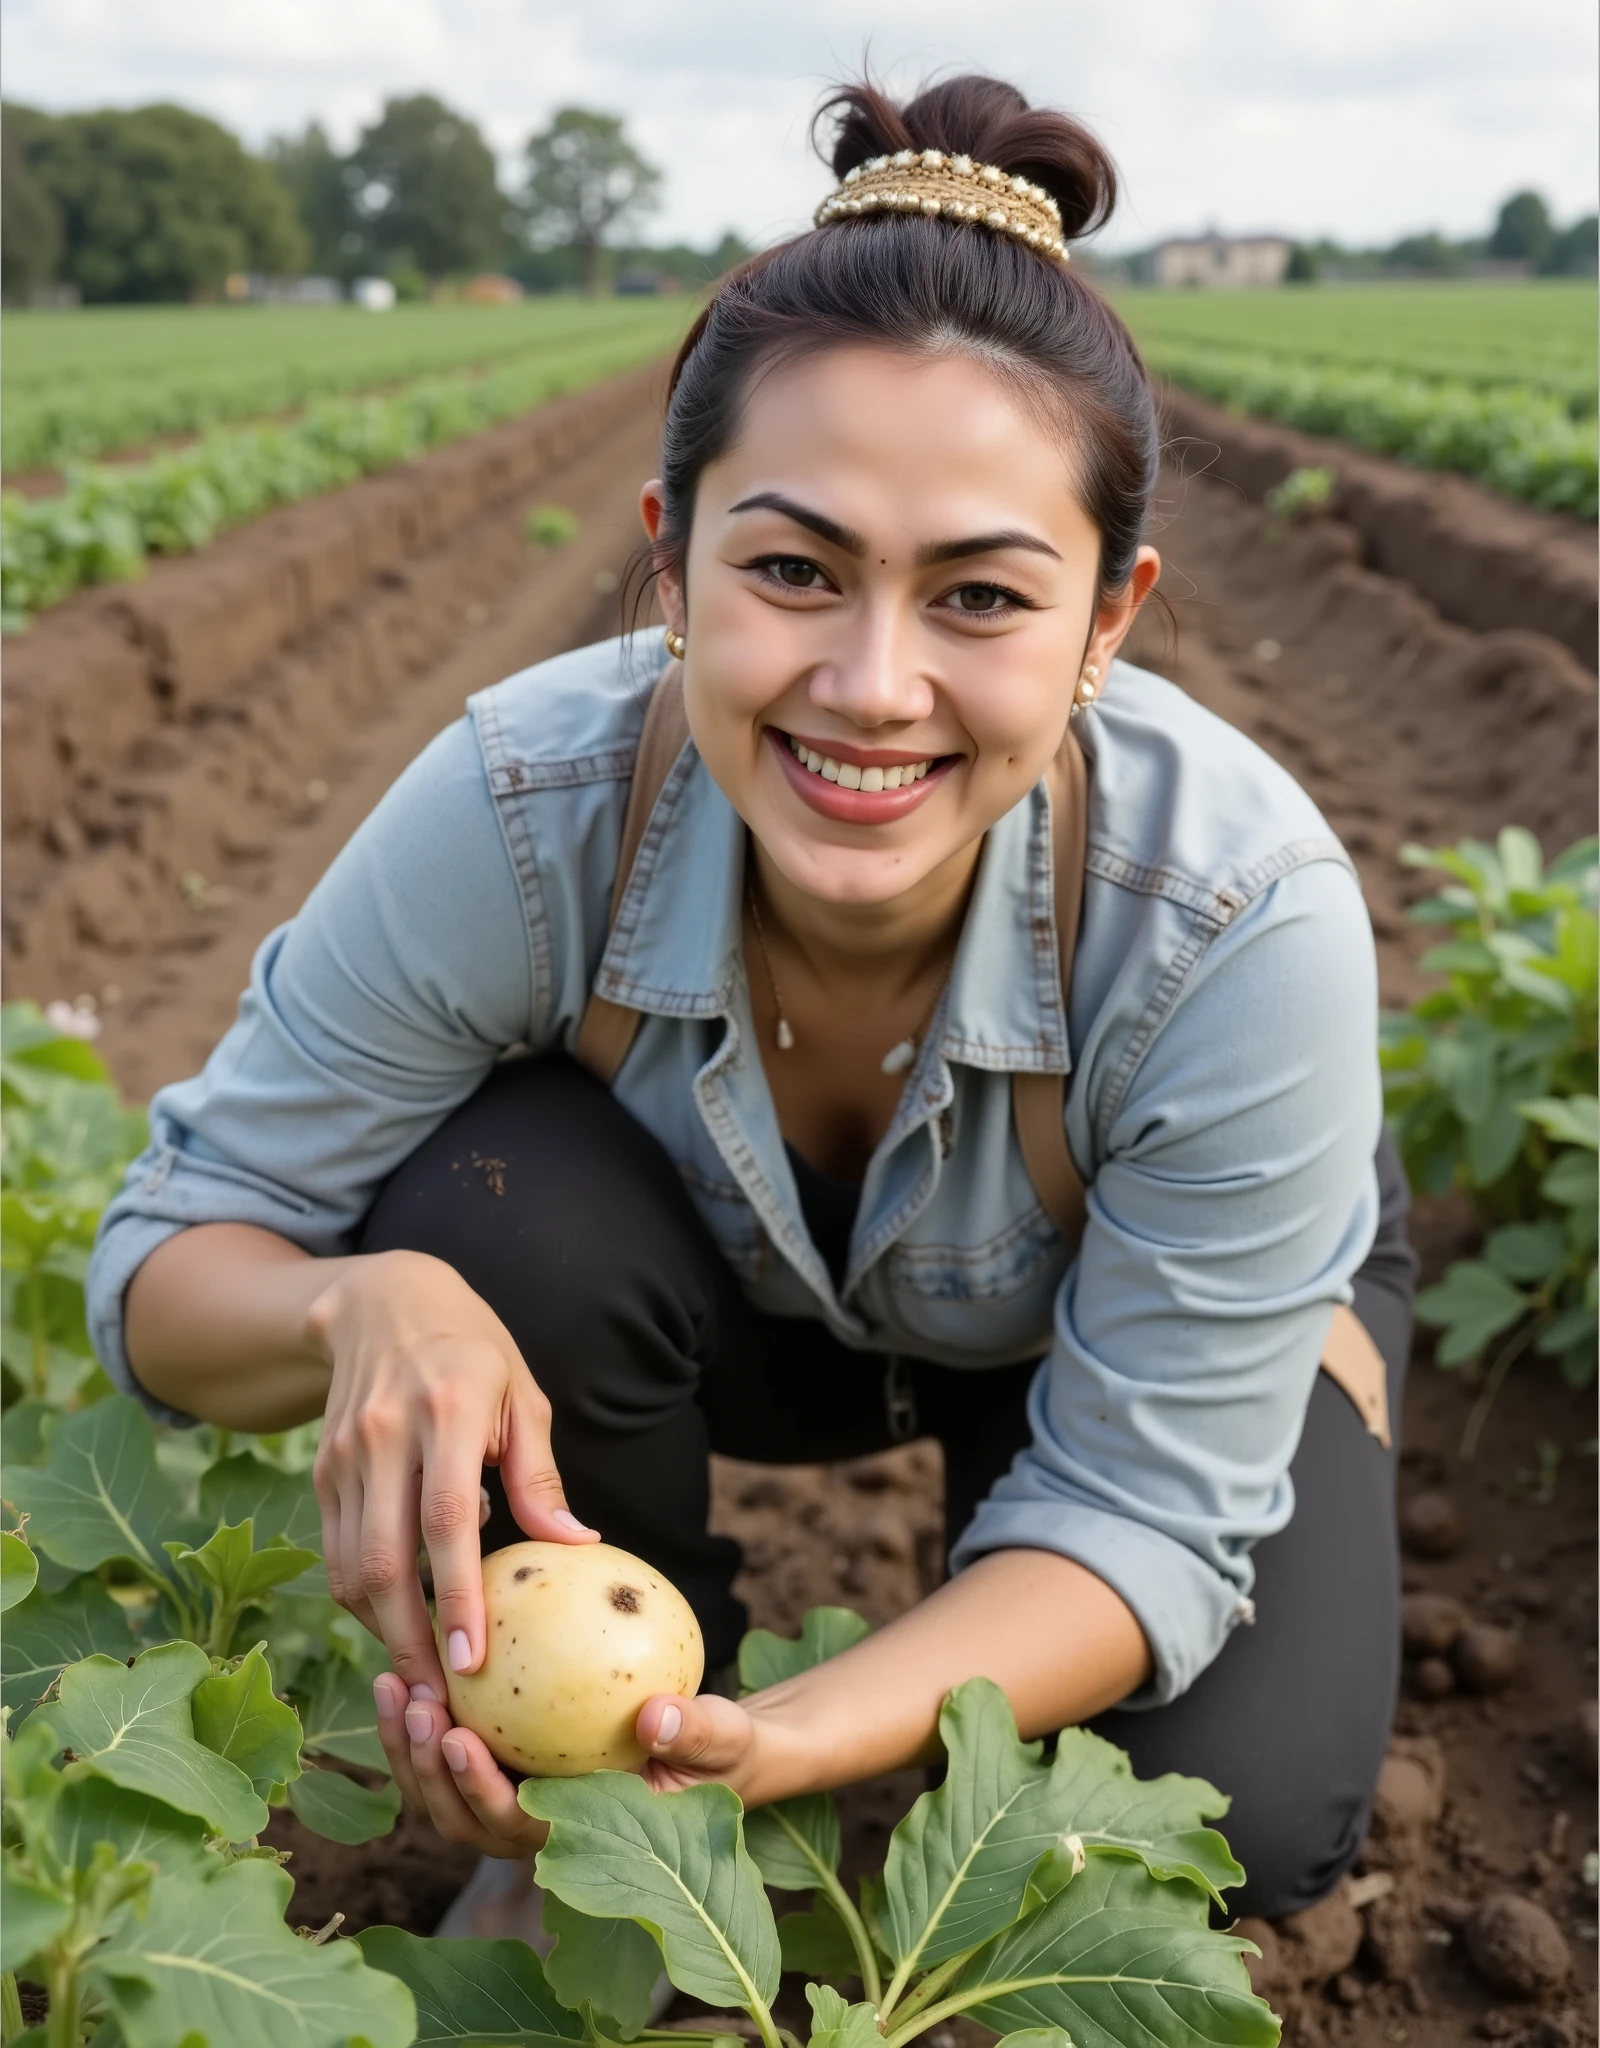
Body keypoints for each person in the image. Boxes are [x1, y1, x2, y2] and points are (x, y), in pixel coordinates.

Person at [89, 74, 1416, 1932]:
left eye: (980, 597)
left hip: (1097, 1329)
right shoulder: (524, 807)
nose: (873, 686)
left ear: (1109, 619)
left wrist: (791, 1740)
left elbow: (1144, 1509)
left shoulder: (1235, 917)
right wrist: (354, 1302)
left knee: (1233, 1809)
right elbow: (160, 1277)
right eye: (791, 570)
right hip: (731, 1306)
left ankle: (731, 1733)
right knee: (480, 1216)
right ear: (673, 556)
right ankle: (619, 1778)